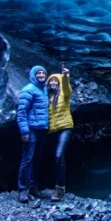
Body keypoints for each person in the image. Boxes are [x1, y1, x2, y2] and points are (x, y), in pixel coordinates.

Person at [16, 65, 50, 203]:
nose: (41, 75)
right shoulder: (28, 90)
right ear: (33, 75)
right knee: (27, 159)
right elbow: (21, 112)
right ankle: (22, 190)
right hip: (31, 129)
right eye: (39, 73)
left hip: (42, 129)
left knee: (37, 158)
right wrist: (24, 131)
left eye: (43, 73)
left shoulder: (44, 90)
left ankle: (33, 188)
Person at [46, 65, 74, 200]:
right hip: (53, 130)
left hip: (65, 128)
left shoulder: (64, 93)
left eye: (55, 81)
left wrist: (65, 77)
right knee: (58, 158)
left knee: (58, 156)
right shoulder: (49, 97)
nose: (52, 83)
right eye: (50, 81)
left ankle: (60, 188)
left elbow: (67, 88)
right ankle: (56, 185)